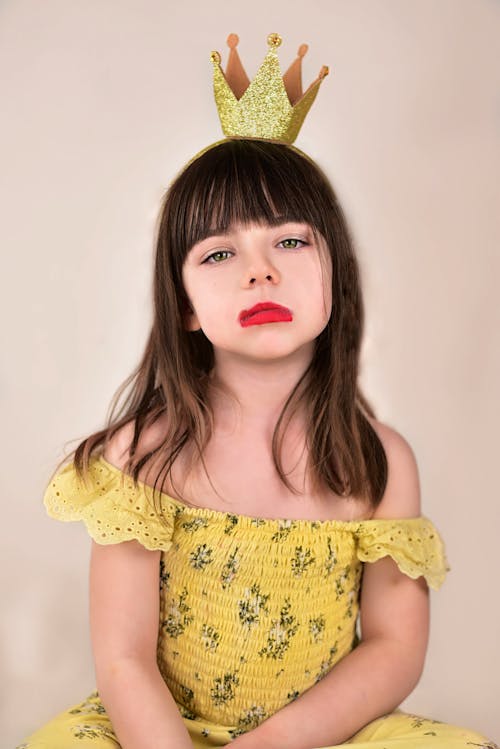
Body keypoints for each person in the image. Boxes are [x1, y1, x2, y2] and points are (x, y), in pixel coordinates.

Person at [17, 35, 496, 749]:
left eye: (291, 241)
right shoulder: (143, 452)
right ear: (183, 304)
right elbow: (123, 657)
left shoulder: (380, 461)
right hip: (159, 730)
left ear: (337, 274)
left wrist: (275, 742)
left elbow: (395, 646)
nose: (259, 271)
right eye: (218, 253)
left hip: (316, 738)